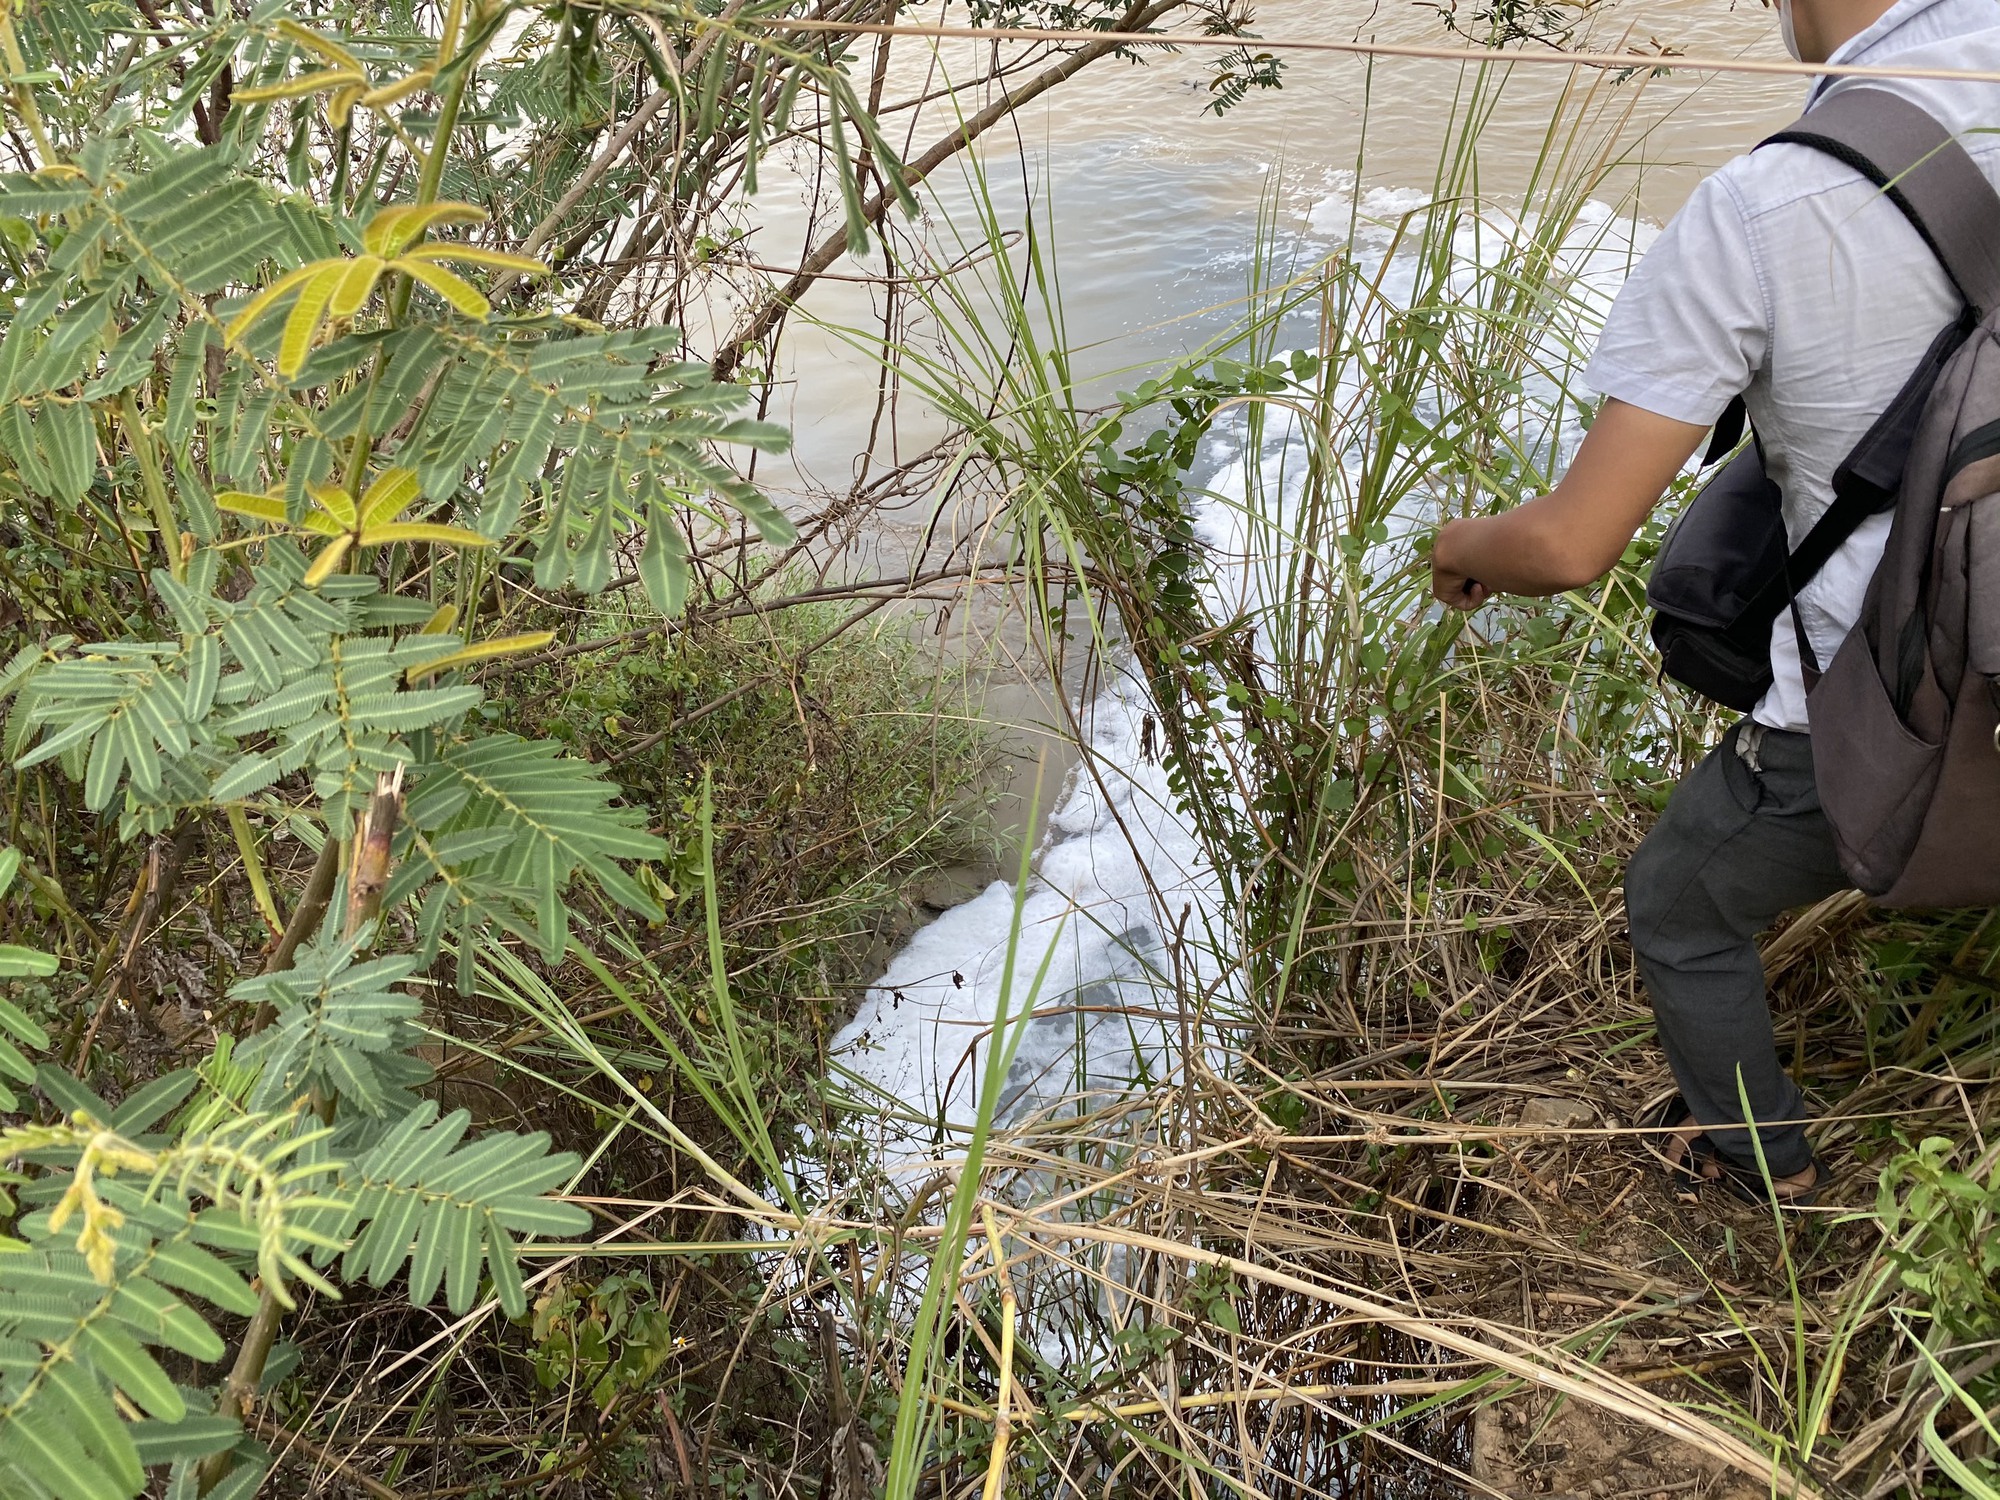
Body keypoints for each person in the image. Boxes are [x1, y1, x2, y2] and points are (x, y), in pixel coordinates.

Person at [1428, 0, 2000, 1205]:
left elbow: (1572, 543)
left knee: (1678, 901)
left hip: (1903, 699)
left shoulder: (1761, 205)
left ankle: (1758, 1166)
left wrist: (1462, 540)